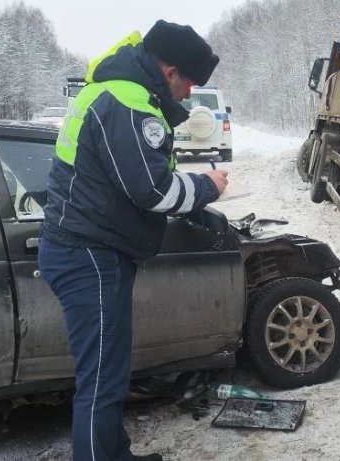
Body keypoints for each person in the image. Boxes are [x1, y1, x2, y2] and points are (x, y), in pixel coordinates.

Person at [38, 20, 227, 461]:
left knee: (111, 372)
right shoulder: (126, 102)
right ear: (170, 71)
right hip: (88, 253)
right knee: (100, 382)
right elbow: (153, 190)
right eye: (189, 83)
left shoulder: (117, 92)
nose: (188, 94)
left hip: (94, 249)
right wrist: (208, 187)